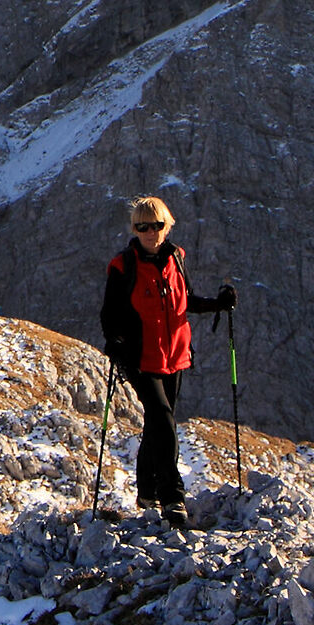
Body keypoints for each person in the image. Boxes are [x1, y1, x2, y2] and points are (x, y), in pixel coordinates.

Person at [98, 195, 235, 529]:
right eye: (142, 226)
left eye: (156, 225)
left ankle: (146, 492)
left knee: (157, 423)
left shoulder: (176, 258)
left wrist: (218, 304)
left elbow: (184, 301)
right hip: (139, 356)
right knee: (164, 421)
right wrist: (114, 341)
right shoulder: (123, 266)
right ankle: (172, 497)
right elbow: (109, 313)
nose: (150, 232)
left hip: (174, 355)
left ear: (167, 226)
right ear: (134, 228)